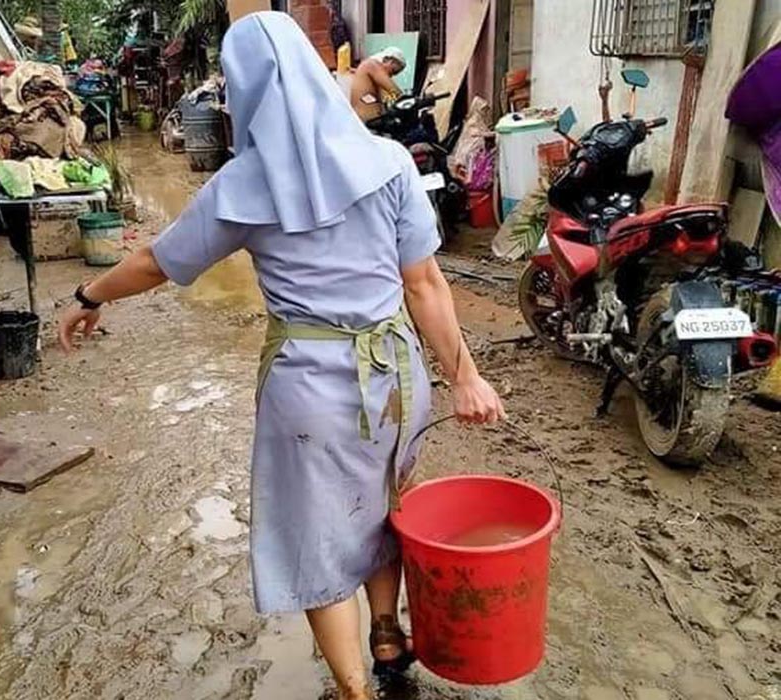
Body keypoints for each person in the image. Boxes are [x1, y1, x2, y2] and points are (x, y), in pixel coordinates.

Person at [58, 12, 504, 700]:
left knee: (319, 536)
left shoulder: (245, 184)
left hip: (312, 391)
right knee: (387, 503)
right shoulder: (387, 162)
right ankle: (387, 634)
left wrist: (91, 294)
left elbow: (155, 262)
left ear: (245, 90)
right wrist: (465, 377)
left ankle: (356, 689)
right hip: (396, 377)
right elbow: (426, 285)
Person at [349, 47, 407, 122]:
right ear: (390, 61)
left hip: (372, 122)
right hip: (368, 123)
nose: (391, 76)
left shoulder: (370, 68)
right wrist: (408, 100)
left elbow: (388, 97)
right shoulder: (372, 65)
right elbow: (395, 91)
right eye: (393, 71)